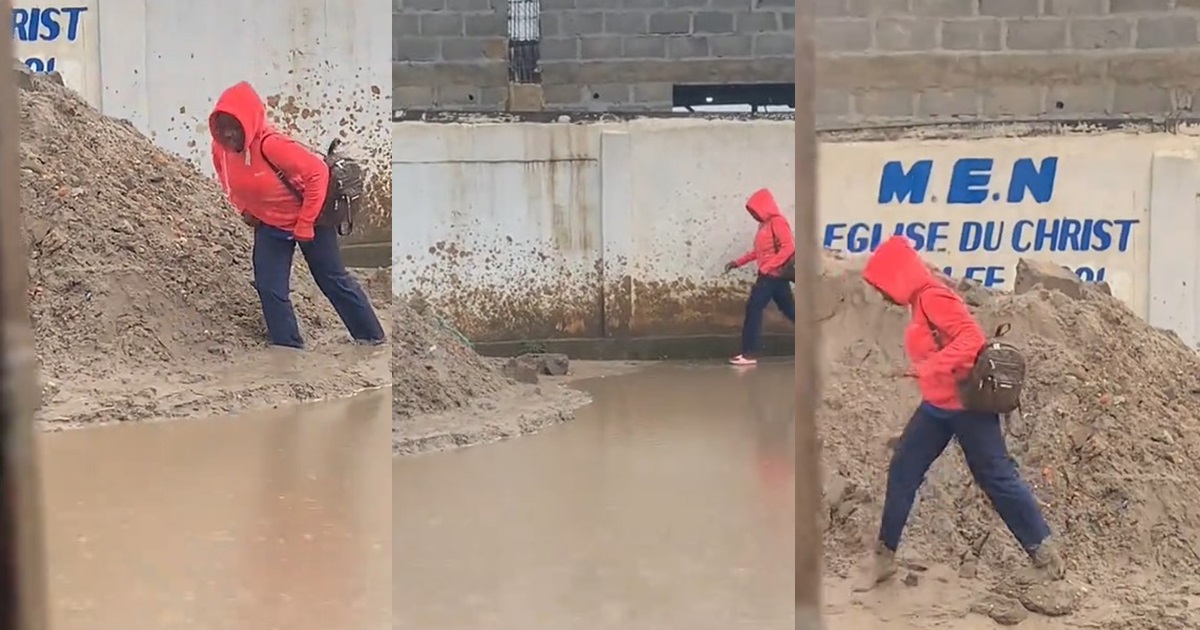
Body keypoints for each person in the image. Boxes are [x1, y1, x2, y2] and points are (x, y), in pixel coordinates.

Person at [855, 235, 1064, 591]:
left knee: (997, 477)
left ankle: (1046, 557)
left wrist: (928, 367)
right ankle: (884, 558)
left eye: (882, 285)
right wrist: (926, 372)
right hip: (937, 407)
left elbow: (971, 339)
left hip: (967, 405)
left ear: (897, 276)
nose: (882, 294)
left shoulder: (934, 297)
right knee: (903, 470)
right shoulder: (918, 301)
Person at [209, 81, 385, 349]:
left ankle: (372, 337)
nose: (230, 135)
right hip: (270, 225)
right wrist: (244, 209)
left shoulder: (272, 145)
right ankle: (288, 348)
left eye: (235, 127)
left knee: (332, 279)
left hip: (310, 219)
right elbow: (226, 179)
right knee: (269, 287)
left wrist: (305, 224)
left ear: (249, 122)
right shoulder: (221, 149)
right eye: (223, 128)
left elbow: (318, 174)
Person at [724, 187, 795, 366]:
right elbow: (758, 252)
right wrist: (737, 262)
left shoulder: (778, 222)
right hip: (773, 276)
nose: (754, 215)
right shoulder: (763, 225)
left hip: (772, 276)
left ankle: (748, 354)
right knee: (789, 310)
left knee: (754, 309)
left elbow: (789, 248)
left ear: (764, 207)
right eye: (752, 212)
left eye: (755, 211)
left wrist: (768, 267)